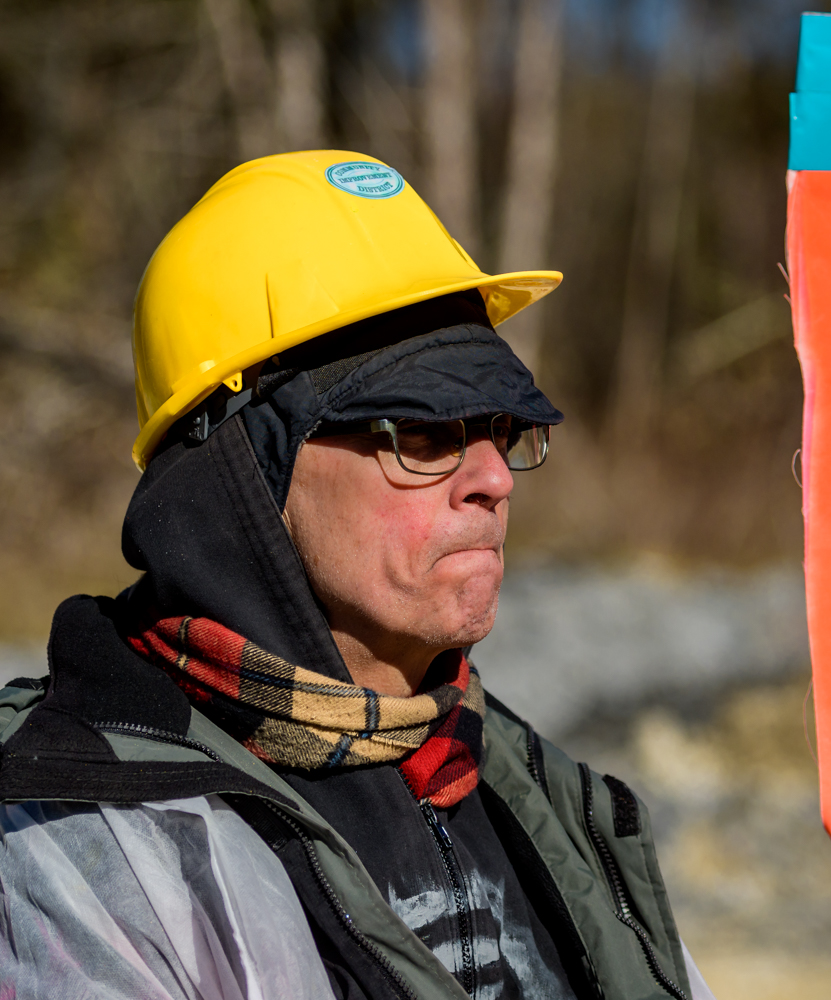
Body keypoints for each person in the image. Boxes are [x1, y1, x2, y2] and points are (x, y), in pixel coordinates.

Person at [0, 151, 713, 1000]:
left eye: (497, 424)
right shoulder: (82, 835)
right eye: (420, 432)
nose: (491, 475)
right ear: (242, 474)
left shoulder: (541, 793)